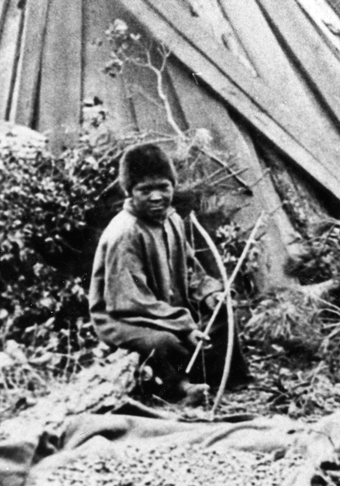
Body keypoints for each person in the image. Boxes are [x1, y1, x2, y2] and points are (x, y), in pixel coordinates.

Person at [89, 143, 248, 404]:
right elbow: (130, 301)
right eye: (144, 190)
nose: (156, 197)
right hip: (124, 317)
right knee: (164, 341)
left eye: (163, 187)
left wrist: (210, 293)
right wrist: (184, 326)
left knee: (221, 313)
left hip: (166, 308)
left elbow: (188, 270)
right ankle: (182, 390)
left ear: (173, 186)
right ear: (130, 192)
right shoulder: (125, 233)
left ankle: (224, 381)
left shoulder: (171, 219)